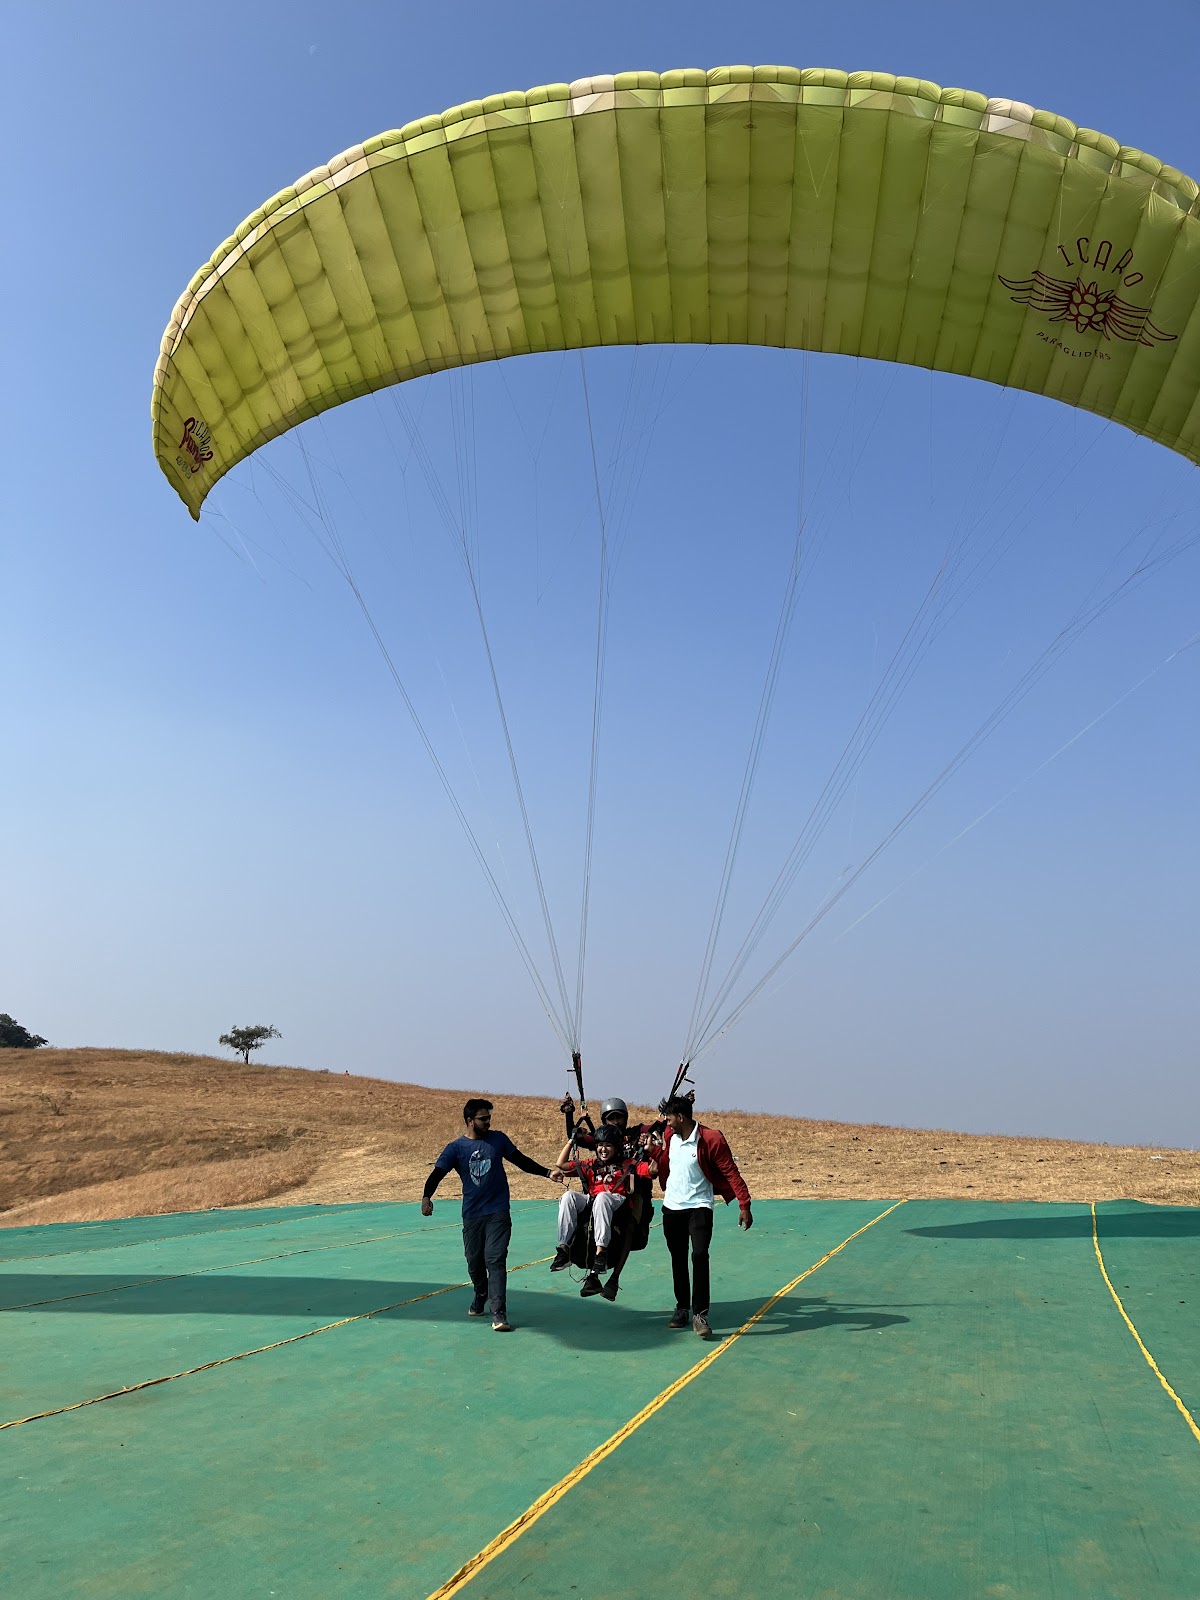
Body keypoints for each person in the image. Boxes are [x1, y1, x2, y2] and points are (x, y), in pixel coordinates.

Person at [421, 1097, 561, 1332]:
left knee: (495, 1258)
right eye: (483, 1118)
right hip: (472, 1215)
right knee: (474, 1262)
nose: (488, 1122)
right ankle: (480, 1292)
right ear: (470, 1120)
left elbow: (521, 1161)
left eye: (489, 1118)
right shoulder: (456, 1148)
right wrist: (426, 1197)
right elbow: (437, 1173)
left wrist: (547, 1173)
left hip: (498, 1211)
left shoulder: (498, 1140)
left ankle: (499, 1313)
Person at [656, 1095, 753, 1338]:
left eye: (669, 1118)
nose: (667, 1123)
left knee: (699, 1255)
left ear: (681, 1117)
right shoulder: (669, 1136)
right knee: (678, 1258)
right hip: (672, 1208)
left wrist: (744, 1204)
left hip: (699, 1207)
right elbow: (663, 1156)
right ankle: (682, 1309)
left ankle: (700, 1314)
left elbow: (730, 1171)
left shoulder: (711, 1138)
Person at [558, 1095, 664, 1299]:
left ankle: (614, 1278)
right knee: (589, 1212)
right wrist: (569, 1115)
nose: (615, 1122)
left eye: (619, 1117)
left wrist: (664, 1121)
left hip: (635, 1191)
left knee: (630, 1226)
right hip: (605, 1188)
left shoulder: (635, 1134)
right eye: (610, 1118)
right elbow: (575, 1138)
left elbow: (656, 1128)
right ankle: (588, 1269)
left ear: (625, 1118)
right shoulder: (602, 1138)